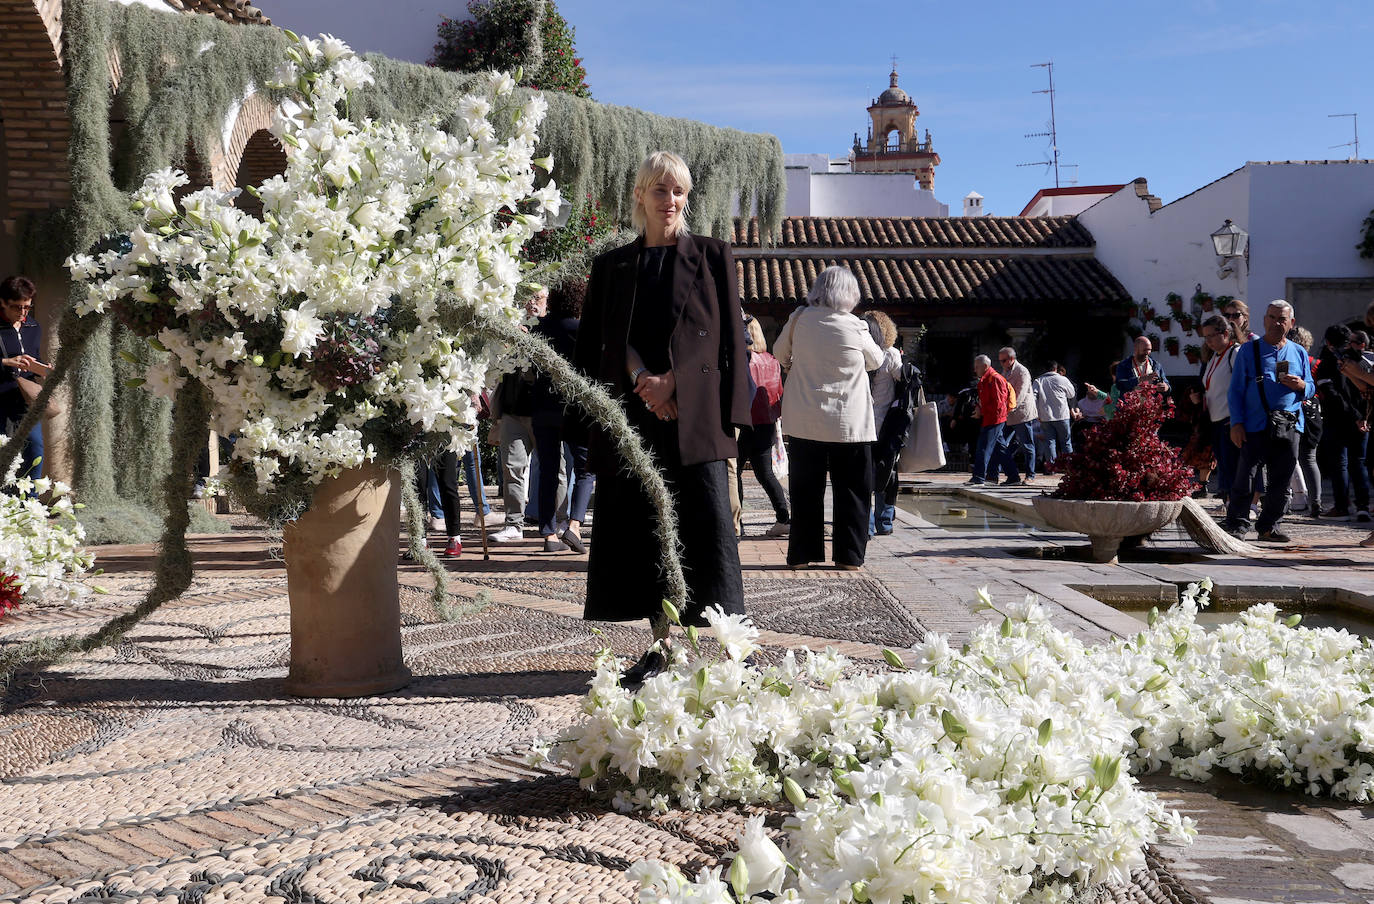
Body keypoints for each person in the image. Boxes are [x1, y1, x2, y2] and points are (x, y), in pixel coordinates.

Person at [574, 150, 750, 686]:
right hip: (635, 417)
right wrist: (644, 382)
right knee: (647, 528)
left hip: (696, 416)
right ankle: (661, 645)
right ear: (640, 197)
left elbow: (725, 342)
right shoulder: (613, 266)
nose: (669, 201)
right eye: (659, 190)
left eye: (677, 191)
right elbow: (603, 339)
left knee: (706, 526)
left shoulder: (714, 256)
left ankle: (719, 652)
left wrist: (674, 381)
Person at [774, 266, 882, 570]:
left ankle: (802, 555)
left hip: (805, 419)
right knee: (853, 492)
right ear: (850, 294)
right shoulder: (857, 326)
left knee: (805, 490)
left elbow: (779, 353)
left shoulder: (798, 318)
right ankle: (848, 557)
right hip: (849, 423)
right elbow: (876, 361)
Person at [1220, 301, 1315, 542]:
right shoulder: (1248, 352)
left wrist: (1302, 385)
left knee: (1281, 480)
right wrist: (1237, 423)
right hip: (1254, 425)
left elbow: (1311, 387)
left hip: (1289, 425)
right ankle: (1237, 525)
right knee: (1246, 477)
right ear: (1264, 320)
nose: (1276, 323)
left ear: (1291, 323)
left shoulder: (1299, 352)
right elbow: (1236, 391)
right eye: (1272, 317)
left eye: (1282, 319)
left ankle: (1269, 526)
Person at [491, 287, 563, 543]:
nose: (532, 303)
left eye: (538, 298)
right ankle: (513, 524)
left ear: (547, 303)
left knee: (555, 470)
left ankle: (559, 522)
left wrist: (532, 341)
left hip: (544, 412)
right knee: (512, 467)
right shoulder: (511, 328)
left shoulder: (553, 329)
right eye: (528, 298)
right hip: (513, 410)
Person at [531, 279, 594, 553]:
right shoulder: (581, 330)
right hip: (574, 409)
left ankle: (548, 533)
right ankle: (574, 525)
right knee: (584, 469)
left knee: (547, 471)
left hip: (543, 408)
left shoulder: (540, 329)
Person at [738, 315, 790, 538]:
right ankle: (783, 517)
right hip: (766, 422)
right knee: (765, 474)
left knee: (734, 473)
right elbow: (778, 392)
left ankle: (736, 520)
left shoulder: (743, 359)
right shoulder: (772, 360)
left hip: (742, 421)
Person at [0, 276, 49, 480]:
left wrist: (43, 368)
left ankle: (30, 509)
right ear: (2, 302)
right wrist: (7, 362)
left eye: (27, 307)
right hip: (0, 401)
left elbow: (33, 358)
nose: (22, 313)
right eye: (16, 307)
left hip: (24, 401)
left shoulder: (33, 326)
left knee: (34, 454)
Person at [863, 311, 903, 534]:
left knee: (865, 477)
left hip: (862, 426)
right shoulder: (891, 354)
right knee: (888, 475)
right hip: (886, 426)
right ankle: (884, 522)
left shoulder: (859, 353)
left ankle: (866, 525)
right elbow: (902, 379)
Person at [1199, 315, 1241, 501]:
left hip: (1229, 419)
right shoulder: (1214, 357)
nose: (1207, 341)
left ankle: (1236, 507)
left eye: (1211, 336)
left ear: (1225, 333)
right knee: (1223, 466)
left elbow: (1242, 386)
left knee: (1231, 466)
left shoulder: (1235, 353)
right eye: (1205, 337)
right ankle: (1229, 505)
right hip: (1214, 419)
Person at [1287, 326, 1322, 516]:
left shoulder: (1290, 360)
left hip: (1295, 409)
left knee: (1291, 457)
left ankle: (1294, 500)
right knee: (1310, 459)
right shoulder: (1316, 362)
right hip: (1314, 411)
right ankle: (1316, 502)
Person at [990, 346, 1036, 485]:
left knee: (1027, 445)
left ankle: (1030, 476)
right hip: (1008, 414)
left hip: (1021, 414)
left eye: (1003, 360)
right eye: (1000, 361)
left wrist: (1008, 407)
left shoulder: (1022, 372)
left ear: (1011, 359)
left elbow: (1020, 394)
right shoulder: (1006, 370)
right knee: (1000, 443)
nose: (1001, 364)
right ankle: (998, 474)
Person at [965, 355, 1010, 486]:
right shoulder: (984, 380)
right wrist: (979, 408)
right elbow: (984, 400)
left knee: (983, 447)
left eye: (977, 367)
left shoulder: (995, 379)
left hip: (995, 419)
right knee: (1000, 449)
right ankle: (1012, 476)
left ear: (985, 366)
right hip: (990, 418)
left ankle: (979, 478)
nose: (975, 369)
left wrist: (981, 411)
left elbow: (998, 404)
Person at [415, 452, 462, 555]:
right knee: (418, 484)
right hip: (417, 438)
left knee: (447, 482)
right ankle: (419, 540)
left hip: (445, 438)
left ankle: (454, 537)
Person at [1033, 360, 1076, 466]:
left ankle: (1051, 467)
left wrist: (1036, 413)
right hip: (1062, 415)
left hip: (1045, 416)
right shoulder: (1063, 379)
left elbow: (1033, 398)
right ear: (1055, 369)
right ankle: (1069, 466)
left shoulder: (1038, 381)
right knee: (1066, 442)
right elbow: (1071, 394)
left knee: (1049, 442)